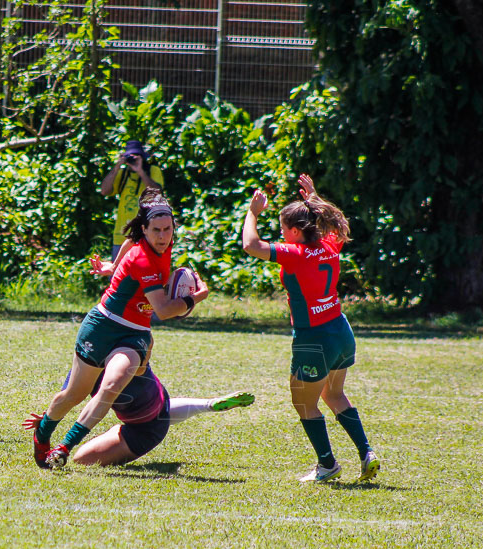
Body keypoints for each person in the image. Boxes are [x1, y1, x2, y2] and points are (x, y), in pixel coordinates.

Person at [30, 188, 209, 469]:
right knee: (74, 394)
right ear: (145, 229)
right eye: (157, 231)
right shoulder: (143, 259)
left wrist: (112, 266)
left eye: (168, 230)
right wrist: (194, 298)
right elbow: (163, 309)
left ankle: (64, 447)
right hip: (101, 327)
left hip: (134, 334)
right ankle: (42, 436)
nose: (163, 237)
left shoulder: (160, 242)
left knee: (111, 385)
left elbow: (129, 243)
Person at [241, 174, 379, 483]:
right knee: (335, 394)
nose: (280, 234)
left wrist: (252, 213)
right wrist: (315, 198)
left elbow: (250, 244)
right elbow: (339, 224)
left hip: (314, 338)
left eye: (281, 229)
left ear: (293, 231)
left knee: (303, 403)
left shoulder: (295, 253)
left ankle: (327, 464)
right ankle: (366, 451)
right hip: (341, 331)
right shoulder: (330, 244)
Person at [24, 363, 254, 467]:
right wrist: (47, 417)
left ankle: (117, 432)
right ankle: (208, 404)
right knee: (152, 412)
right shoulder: (129, 356)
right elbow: (68, 395)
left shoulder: (89, 366)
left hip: (143, 432)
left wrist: (50, 423)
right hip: (158, 401)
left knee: (81, 459)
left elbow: (72, 396)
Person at [100, 140, 165, 261]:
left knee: (144, 277)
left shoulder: (153, 171)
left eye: (136, 157)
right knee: (118, 276)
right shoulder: (123, 174)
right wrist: (117, 166)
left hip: (146, 236)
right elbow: (104, 191)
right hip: (121, 237)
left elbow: (157, 192)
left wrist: (140, 171)